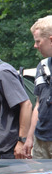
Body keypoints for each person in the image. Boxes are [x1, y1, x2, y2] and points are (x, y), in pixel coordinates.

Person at [24, 15, 52, 159]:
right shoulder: (42, 66)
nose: (35, 46)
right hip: (41, 140)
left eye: (38, 41)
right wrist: (29, 138)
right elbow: (38, 104)